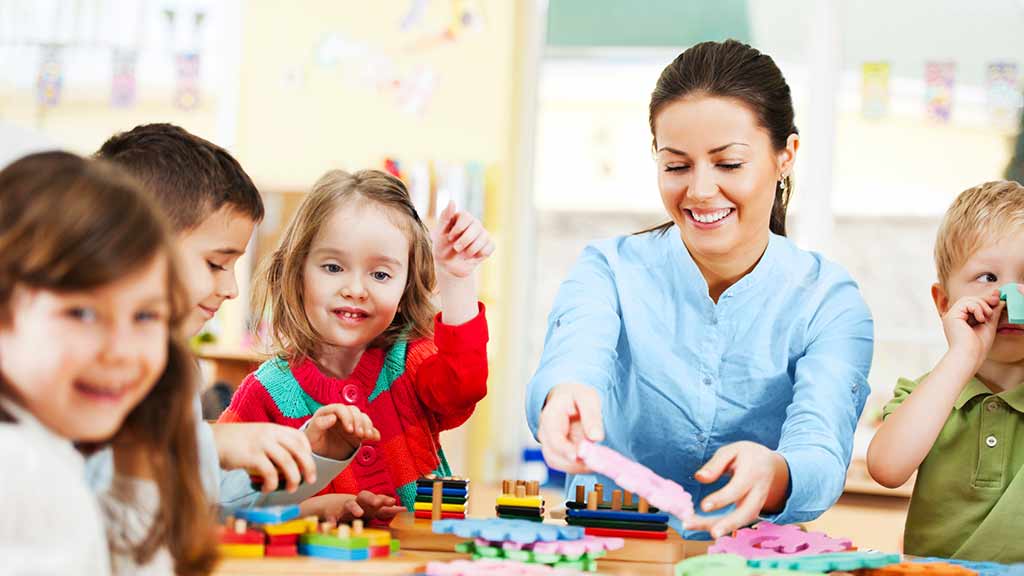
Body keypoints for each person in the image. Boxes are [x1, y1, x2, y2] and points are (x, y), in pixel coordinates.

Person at [527, 40, 874, 539]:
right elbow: (575, 356)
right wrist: (565, 393)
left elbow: (821, 452)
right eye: (676, 166)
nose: (701, 190)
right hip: (612, 552)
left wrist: (778, 472)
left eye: (728, 164)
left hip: (749, 559)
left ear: (785, 156)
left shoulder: (830, 303)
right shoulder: (608, 270)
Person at [868, 181, 1024, 562]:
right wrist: (962, 356)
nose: (1009, 297)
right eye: (988, 278)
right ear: (943, 302)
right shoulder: (928, 393)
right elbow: (887, 468)